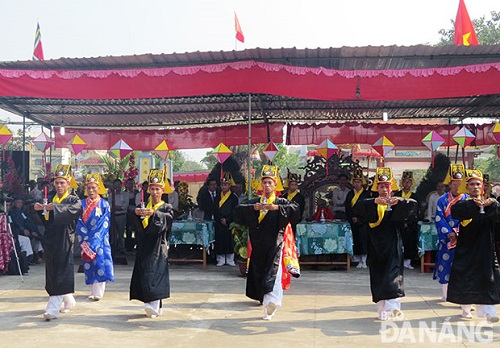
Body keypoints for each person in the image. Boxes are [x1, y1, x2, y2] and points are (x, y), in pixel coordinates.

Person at [234, 165, 301, 320]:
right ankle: (267, 304)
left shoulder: (281, 202)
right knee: (260, 275)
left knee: (274, 274)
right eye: (264, 182)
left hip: (275, 244)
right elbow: (238, 210)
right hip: (258, 245)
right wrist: (253, 208)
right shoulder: (256, 202)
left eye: (270, 182)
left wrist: (276, 208)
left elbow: (296, 210)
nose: (267, 186)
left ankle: (272, 304)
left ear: (275, 184)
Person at [354, 167, 417, 321]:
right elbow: (357, 208)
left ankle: (393, 307)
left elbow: (413, 206)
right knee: (379, 276)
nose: (384, 189)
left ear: (392, 188)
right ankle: (382, 309)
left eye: (386, 186)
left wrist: (400, 200)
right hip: (376, 247)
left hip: (393, 244)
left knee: (393, 275)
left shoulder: (397, 202)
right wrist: (375, 201)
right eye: (381, 186)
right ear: (377, 188)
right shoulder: (371, 203)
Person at [448, 169, 500, 323]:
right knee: (466, 278)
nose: (475, 187)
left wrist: (493, 203)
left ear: (483, 187)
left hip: (486, 249)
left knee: (488, 279)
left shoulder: (491, 204)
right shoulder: (463, 205)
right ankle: (466, 309)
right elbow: (456, 213)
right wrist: (475, 205)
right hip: (467, 249)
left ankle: (490, 312)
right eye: (471, 184)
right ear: (467, 187)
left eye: (478, 184)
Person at [34, 164, 81, 321]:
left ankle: (53, 308)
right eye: (56, 182)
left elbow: (74, 210)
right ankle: (69, 299)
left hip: (65, 238)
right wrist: (38, 209)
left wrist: (56, 208)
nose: (59, 186)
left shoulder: (73, 199)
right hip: (51, 238)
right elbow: (45, 219)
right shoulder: (49, 197)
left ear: (68, 183)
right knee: (53, 270)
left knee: (61, 270)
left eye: (62, 183)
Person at [130, 168, 174, 318]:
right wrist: (136, 214)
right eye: (152, 189)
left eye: (157, 189)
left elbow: (168, 219)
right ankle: (156, 306)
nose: (154, 192)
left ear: (162, 191)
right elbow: (135, 222)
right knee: (145, 274)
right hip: (144, 245)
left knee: (155, 275)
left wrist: (154, 214)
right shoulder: (144, 205)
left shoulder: (166, 207)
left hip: (158, 246)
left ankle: (153, 306)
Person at [76, 173, 114, 301]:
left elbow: (104, 223)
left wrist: (94, 240)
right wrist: (85, 238)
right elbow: (78, 221)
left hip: (100, 240)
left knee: (100, 262)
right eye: (89, 188)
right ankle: (91, 290)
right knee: (87, 263)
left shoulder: (104, 204)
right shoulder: (81, 204)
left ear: (99, 188)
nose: (91, 190)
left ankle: (99, 291)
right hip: (85, 239)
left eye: (94, 187)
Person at [433, 164, 467, 301]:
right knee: (445, 264)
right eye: (454, 183)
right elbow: (439, 217)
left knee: (463, 266)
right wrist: (449, 233)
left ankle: (463, 295)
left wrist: (459, 233)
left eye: (460, 183)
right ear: (450, 184)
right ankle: (446, 293)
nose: (457, 186)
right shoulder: (442, 200)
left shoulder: (467, 199)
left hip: (464, 237)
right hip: (447, 238)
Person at [345, 168, 371, 269]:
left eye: (359, 182)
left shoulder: (366, 194)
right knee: (355, 239)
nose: (357, 184)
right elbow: (347, 207)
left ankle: (364, 260)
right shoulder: (350, 194)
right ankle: (357, 260)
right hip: (353, 221)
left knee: (364, 240)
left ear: (362, 182)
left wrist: (360, 219)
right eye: (355, 181)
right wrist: (352, 217)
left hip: (363, 222)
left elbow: (368, 209)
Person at [394, 171, 419, 270]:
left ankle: (408, 261)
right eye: (405, 182)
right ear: (402, 183)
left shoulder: (414, 196)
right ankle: (398, 261)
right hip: (398, 223)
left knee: (409, 242)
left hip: (409, 225)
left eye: (409, 182)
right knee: (398, 243)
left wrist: (408, 222)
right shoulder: (397, 194)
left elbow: (416, 212)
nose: (406, 184)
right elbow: (394, 210)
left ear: (411, 183)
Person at [214, 172, 239, 267]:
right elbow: (215, 210)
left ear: (229, 185)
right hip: (219, 222)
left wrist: (227, 220)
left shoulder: (233, 198)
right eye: (222, 185)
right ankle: (220, 259)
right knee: (220, 240)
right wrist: (221, 219)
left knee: (230, 240)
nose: (224, 187)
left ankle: (230, 259)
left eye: (226, 185)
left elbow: (235, 211)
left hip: (229, 222)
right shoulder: (217, 197)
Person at [8, 195, 43, 264]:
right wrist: (23, 229)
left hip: (27, 230)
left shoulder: (23, 212)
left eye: (21, 202)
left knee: (37, 238)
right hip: (17, 232)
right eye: (18, 202)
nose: (20, 204)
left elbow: (28, 221)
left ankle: (38, 256)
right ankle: (27, 258)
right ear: (14, 203)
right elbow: (15, 223)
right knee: (26, 240)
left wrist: (33, 230)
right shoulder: (12, 212)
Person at [283, 169, 305, 235]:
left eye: (295, 185)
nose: (293, 187)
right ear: (288, 186)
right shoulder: (284, 196)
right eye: (292, 185)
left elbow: (301, 209)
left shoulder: (300, 197)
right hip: (285, 220)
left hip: (295, 220)